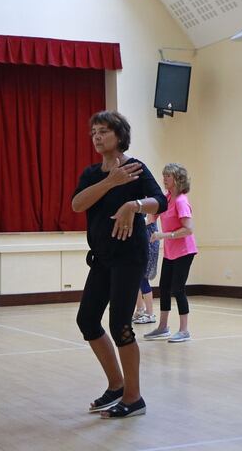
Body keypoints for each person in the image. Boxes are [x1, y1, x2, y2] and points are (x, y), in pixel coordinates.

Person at [72, 111, 167, 419]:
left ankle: (133, 397)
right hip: (102, 258)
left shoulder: (135, 168)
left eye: (103, 131)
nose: (97, 137)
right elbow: (77, 204)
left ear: (119, 135)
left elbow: (160, 201)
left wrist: (134, 205)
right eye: (94, 132)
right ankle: (116, 386)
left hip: (130, 256)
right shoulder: (91, 174)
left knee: (120, 325)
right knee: (87, 320)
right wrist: (110, 182)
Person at [143, 163, 198, 343]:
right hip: (170, 251)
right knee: (164, 288)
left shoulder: (181, 201)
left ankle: (184, 330)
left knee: (177, 289)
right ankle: (163, 327)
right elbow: (152, 217)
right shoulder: (166, 199)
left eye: (168, 176)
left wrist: (163, 235)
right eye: (164, 175)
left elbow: (188, 229)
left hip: (184, 251)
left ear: (177, 179)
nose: (164, 179)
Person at [132, 220, 160, 325]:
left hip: (149, 244)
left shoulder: (150, 208)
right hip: (138, 243)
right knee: (135, 278)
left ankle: (150, 314)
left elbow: (147, 221)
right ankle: (140, 310)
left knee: (143, 279)